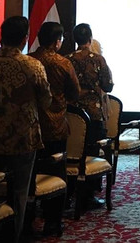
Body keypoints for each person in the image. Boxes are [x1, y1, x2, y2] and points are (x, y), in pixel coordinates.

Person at [0, 16, 52, 242]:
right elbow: (46, 101)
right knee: (19, 193)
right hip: (22, 137)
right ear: (24, 38)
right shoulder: (32, 65)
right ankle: (13, 237)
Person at [29, 22, 81, 236]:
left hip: (31, 126)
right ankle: (52, 222)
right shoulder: (62, 63)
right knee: (56, 174)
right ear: (57, 41)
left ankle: (29, 218)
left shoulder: (29, 60)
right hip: (55, 125)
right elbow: (74, 93)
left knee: (31, 174)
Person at [67, 23, 114, 207]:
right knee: (93, 152)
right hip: (93, 113)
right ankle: (88, 195)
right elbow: (108, 85)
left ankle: (71, 191)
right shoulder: (98, 60)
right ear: (90, 38)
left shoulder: (66, 59)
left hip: (72, 113)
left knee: (73, 152)